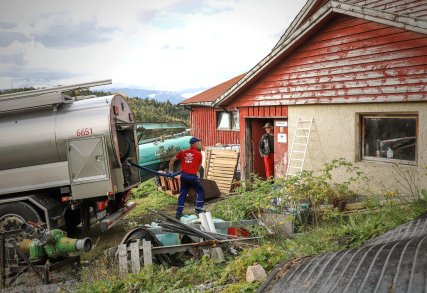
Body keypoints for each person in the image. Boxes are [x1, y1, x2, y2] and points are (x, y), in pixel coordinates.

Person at [168, 137, 205, 219]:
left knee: (182, 194)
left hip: (183, 176)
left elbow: (172, 160)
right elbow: (199, 167)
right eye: (198, 143)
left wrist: (171, 172)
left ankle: (178, 213)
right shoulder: (199, 154)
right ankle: (198, 209)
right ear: (194, 144)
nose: (200, 144)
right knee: (200, 191)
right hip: (192, 177)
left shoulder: (183, 152)